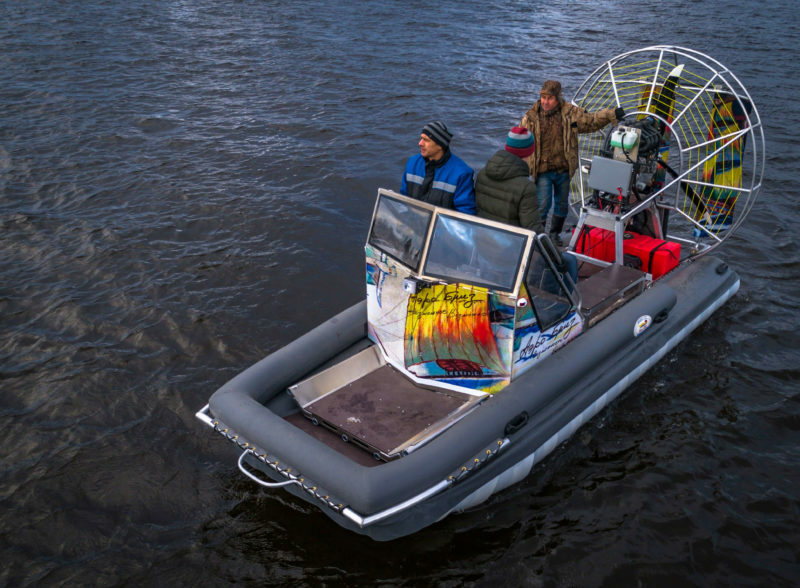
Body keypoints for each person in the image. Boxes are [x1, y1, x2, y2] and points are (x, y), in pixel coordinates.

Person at [520, 80, 624, 245]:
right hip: (542, 170)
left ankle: (554, 235)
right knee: (543, 204)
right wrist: (520, 165)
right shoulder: (531, 117)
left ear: (558, 98)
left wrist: (611, 114)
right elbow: (521, 140)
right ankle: (538, 238)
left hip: (564, 169)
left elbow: (591, 121)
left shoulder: (571, 114)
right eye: (543, 97)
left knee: (561, 204)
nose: (545, 102)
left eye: (550, 98)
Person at [475, 126, 544, 233]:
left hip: (481, 237)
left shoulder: (482, 173)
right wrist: (552, 249)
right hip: (510, 245)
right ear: (529, 153)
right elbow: (532, 228)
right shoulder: (526, 187)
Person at [401, 121, 476, 214]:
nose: (420, 143)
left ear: (440, 145)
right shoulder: (412, 163)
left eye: (426, 140)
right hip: (413, 223)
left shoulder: (462, 174)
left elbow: (466, 213)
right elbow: (402, 199)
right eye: (421, 138)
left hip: (441, 228)